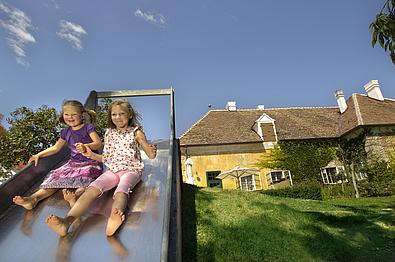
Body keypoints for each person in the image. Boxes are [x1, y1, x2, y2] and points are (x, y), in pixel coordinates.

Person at [46, 100, 157, 237]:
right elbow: (106, 158)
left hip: (131, 170)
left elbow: (149, 154)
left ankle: (113, 219)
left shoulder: (136, 132)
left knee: (122, 190)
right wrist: (91, 154)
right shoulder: (109, 133)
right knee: (91, 189)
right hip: (112, 170)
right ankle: (66, 222)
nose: (118, 117)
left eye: (122, 113)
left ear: (129, 115)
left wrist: (151, 151)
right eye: (114, 114)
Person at [13, 100, 102, 210]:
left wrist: (86, 146)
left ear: (82, 115)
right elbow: (56, 148)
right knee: (55, 179)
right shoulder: (65, 131)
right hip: (73, 164)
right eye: (66, 114)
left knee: (85, 180)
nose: (70, 117)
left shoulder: (88, 127)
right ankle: (33, 199)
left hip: (90, 162)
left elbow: (98, 144)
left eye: (74, 114)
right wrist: (38, 155)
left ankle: (76, 199)